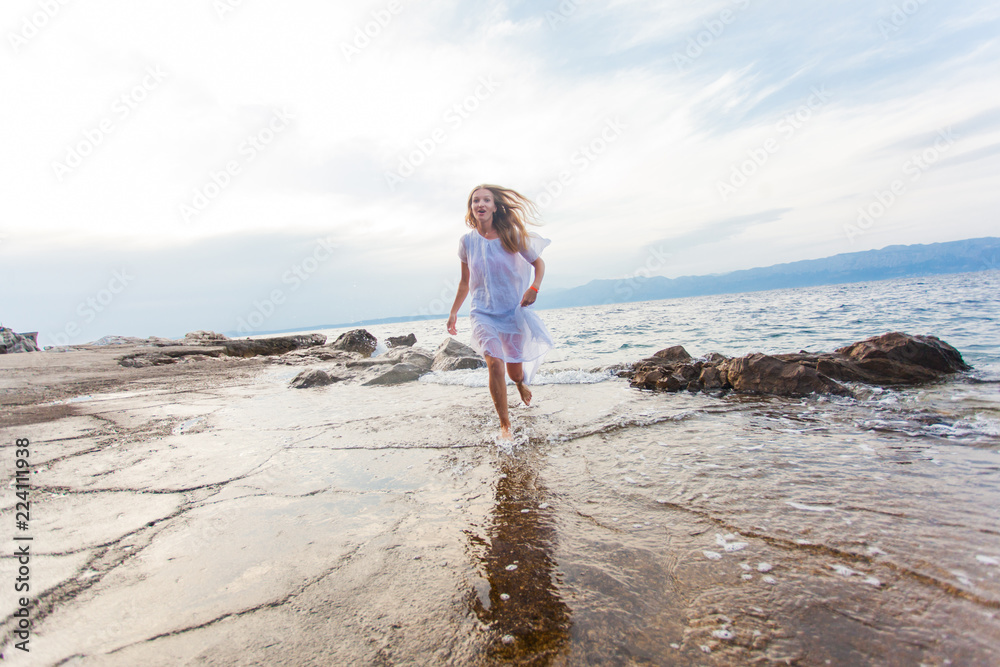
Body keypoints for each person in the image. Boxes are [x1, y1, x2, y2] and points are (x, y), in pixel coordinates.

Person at [447, 184, 553, 440]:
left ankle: (519, 384)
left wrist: (534, 288)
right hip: (482, 312)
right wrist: (453, 313)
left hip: (512, 312)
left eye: (486, 200)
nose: (480, 204)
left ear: (495, 207)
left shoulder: (511, 235)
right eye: (475, 201)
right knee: (494, 362)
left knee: (514, 372)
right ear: (471, 208)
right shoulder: (467, 242)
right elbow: (464, 282)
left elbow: (538, 263)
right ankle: (505, 426)